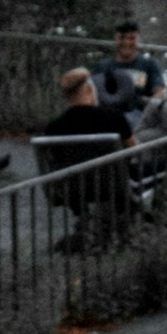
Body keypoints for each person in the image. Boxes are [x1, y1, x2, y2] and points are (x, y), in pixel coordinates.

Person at [34, 65, 132, 236]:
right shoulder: (113, 117)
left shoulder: (53, 128)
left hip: (72, 189)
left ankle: (86, 218)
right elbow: (134, 148)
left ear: (65, 96)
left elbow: (57, 160)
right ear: (89, 89)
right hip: (112, 185)